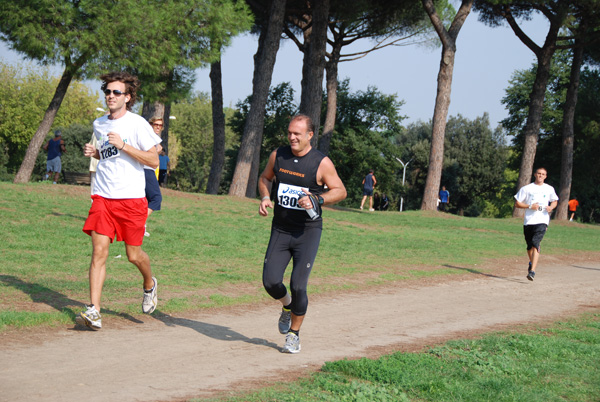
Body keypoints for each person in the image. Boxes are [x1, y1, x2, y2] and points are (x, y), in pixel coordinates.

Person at [77, 71, 161, 330]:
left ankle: (149, 283)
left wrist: (124, 145)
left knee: (133, 255)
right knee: (99, 252)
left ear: (128, 97)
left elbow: (153, 160)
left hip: (131, 200)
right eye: (107, 91)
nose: (110, 96)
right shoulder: (99, 123)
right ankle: (94, 309)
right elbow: (110, 156)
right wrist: (98, 152)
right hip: (103, 197)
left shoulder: (137, 124)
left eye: (116, 92)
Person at [258, 114, 347, 353]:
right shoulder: (279, 155)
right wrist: (266, 197)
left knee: (298, 285)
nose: (292, 137)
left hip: (307, 232)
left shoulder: (321, 162)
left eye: (297, 133)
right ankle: (286, 306)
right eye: (289, 132)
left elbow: (340, 191)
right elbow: (265, 178)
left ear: (310, 135)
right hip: (281, 228)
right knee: (270, 282)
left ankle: (294, 335)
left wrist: (318, 199)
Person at [514, 167, 558, 281]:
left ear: (545, 176)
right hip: (529, 221)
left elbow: (554, 200)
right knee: (529, 246)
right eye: (539, 173)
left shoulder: (549, 189)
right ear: (535, 174)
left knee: (535, 243)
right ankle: (531, 261)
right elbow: (517, 203)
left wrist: (551, 207)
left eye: (543, 174)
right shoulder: (527, 188)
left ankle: (532, 271)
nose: (540, 175)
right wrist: (530, 206)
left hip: (542, 220)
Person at [144, 117, 164, 236]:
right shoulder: (148, 136)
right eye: (155, 124)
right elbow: (145, 154)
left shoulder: (155, 139)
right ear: (150, 124)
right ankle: (138, 222)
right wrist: (157, 151)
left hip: (149, 169)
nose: (157, 127)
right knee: (156, 198)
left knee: (144, 200)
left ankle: (142, 226)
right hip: (146, 169)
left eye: (160, 125)